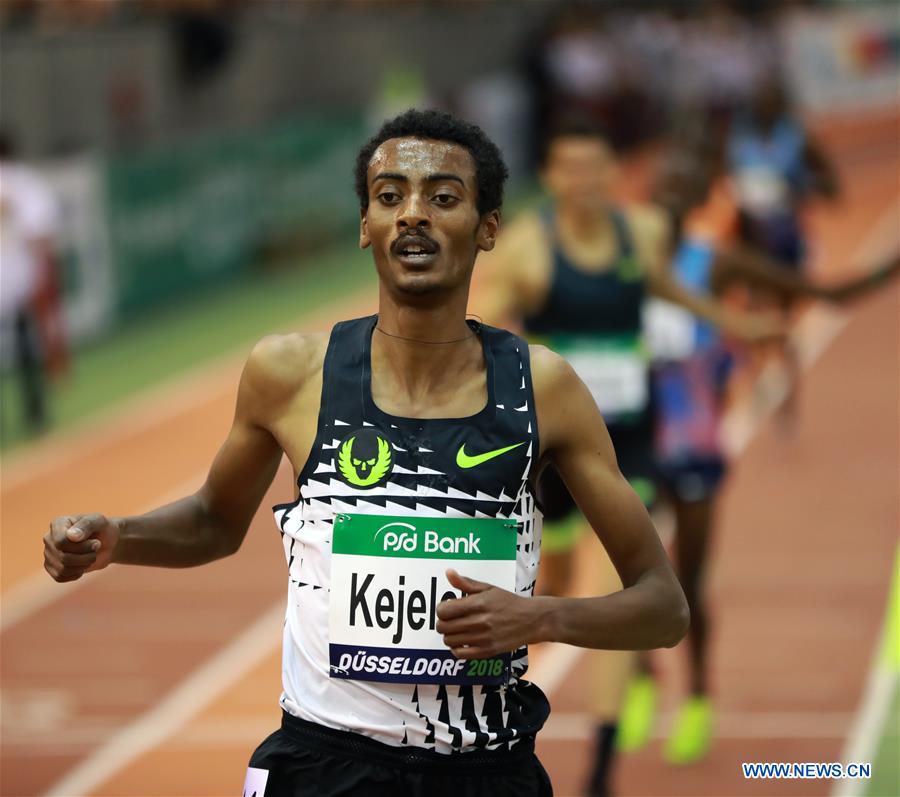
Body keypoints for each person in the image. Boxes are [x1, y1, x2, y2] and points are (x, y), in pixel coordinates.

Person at [43, 109, 690, 797]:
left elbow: (662, 604)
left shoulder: (544, 390)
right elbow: (213, 520)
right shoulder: (292, 374)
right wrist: (118, 536)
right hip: (322, 767)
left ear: (488, 228)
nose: (413, 214)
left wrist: (541, 615)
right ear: (364, 226)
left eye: (443, 198)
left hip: (483, 772)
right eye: (389, 197)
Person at [476, 118, 782, 797]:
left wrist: (735, 322)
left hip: (623, 446)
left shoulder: (638, 232)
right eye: (570, 171)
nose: (585, 183)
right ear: (551, 179)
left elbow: (667, 290)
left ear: (613, 176)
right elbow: (489, 325)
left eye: (596, 170)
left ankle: (601, 769)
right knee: (549, 583)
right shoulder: (530, 248)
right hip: (547, 450)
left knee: (609, 583)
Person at [0, 130, 62, 436]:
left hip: (9, 272)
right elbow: (39, 229)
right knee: (26, 345)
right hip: (18, 274)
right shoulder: (22, 181)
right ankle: (34, 411)